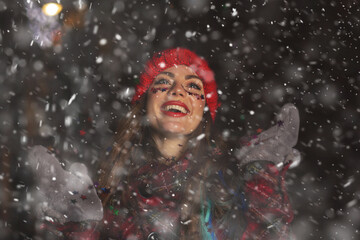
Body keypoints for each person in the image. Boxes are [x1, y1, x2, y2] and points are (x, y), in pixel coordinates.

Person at [29, 48, 300, 239]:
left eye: (193, 87)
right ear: (146, 103)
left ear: (204, 111)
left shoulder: (231, 185)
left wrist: (262, 172)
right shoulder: (111, 189)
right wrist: (74, 222)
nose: (178, 91)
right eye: (164, 82)